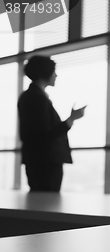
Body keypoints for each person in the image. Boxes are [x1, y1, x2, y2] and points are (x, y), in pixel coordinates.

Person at [18, 55, 86, 192]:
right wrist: (70, 120)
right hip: (45, 161)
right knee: (46, 203)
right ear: (45, 72)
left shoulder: (30, 96)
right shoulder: (37, 98)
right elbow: (44, 135)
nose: (56, 75)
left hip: (37, 160)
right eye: (53, 71)